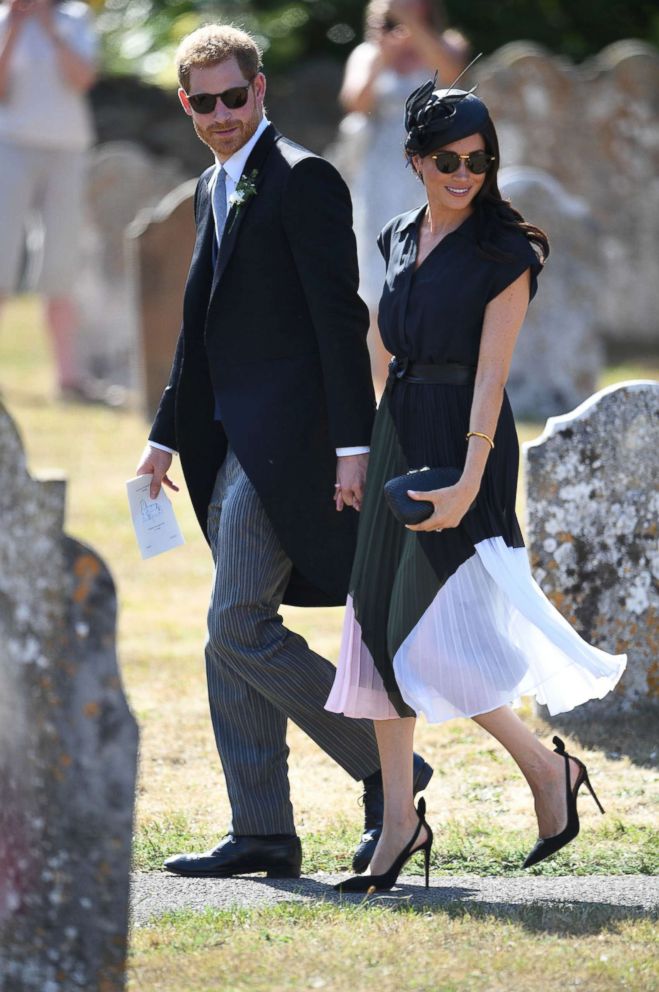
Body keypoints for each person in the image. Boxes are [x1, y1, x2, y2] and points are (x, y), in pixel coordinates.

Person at [136, 24, 433, 881]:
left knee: (234, 624)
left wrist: (352, 449)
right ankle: (262, 828)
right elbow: (199, 333)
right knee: (228, 632)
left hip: (299, 447)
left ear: (259, 91)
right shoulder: (208, 187)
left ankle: (392, 767)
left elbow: (342, 323)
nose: (224, 114)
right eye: (206, 102)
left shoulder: (304, 179)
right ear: (187, 105)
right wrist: (162, 438)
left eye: (237, 97)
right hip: (228, 445)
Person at [326, 80, 627, 891]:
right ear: (414, 161)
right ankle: (398, 825)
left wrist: (463, 480)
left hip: (468, 447)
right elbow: (381, 356)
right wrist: (359, 453)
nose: (465, 173)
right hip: (398, 439)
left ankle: (542, 770)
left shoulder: (507, 251)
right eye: (449, 159)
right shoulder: (393, 235)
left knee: (431, 631)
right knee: (376, 633)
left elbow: (492, 376)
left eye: (479, 160)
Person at [337, 0, 468, 392]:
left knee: (434, 265)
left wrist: (413, 25)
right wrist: (383, 53)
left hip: (432, 173)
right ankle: (385, 384)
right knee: (379, 275)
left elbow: (451, 74)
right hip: (380, 174)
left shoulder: (448, 43)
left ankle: (433, 374)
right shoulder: (367, 53)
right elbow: (355, 100)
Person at [0, 0, 97, 397]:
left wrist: (47, 26)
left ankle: (68, 376)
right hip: (10, 146)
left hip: (67, 149)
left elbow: (81, 78)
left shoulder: (75, 17)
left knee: (62, 260)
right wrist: (16, 28)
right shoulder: (2, 19)